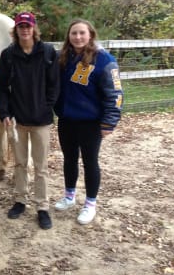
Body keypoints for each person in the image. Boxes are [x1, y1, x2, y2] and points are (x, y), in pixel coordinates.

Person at [0, 11, 60, 230]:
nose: (24, 30)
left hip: (41, 119)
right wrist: (4, 113)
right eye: (21, 26)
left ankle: (42, 206)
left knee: (41, 166)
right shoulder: (9, 55)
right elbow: (1, 87)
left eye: (28, 26)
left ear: (34, 28)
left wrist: (46, 106)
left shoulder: (48, 52)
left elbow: (54, 85)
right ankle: (20, 200)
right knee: (20, 163)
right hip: (17, 119)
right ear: (16, 30)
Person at [53, 19, 123, 225]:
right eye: (73, 33)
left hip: (91, 122)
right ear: (69, 36)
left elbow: (115, 93)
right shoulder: (62, 58)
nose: (78, 37)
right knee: (69, 159)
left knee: (90, 162)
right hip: (67, 119)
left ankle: (90, 203)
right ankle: (69, 196)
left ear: (90, 34)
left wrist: (109, 121)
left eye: (82, 33)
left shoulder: (104, 60)